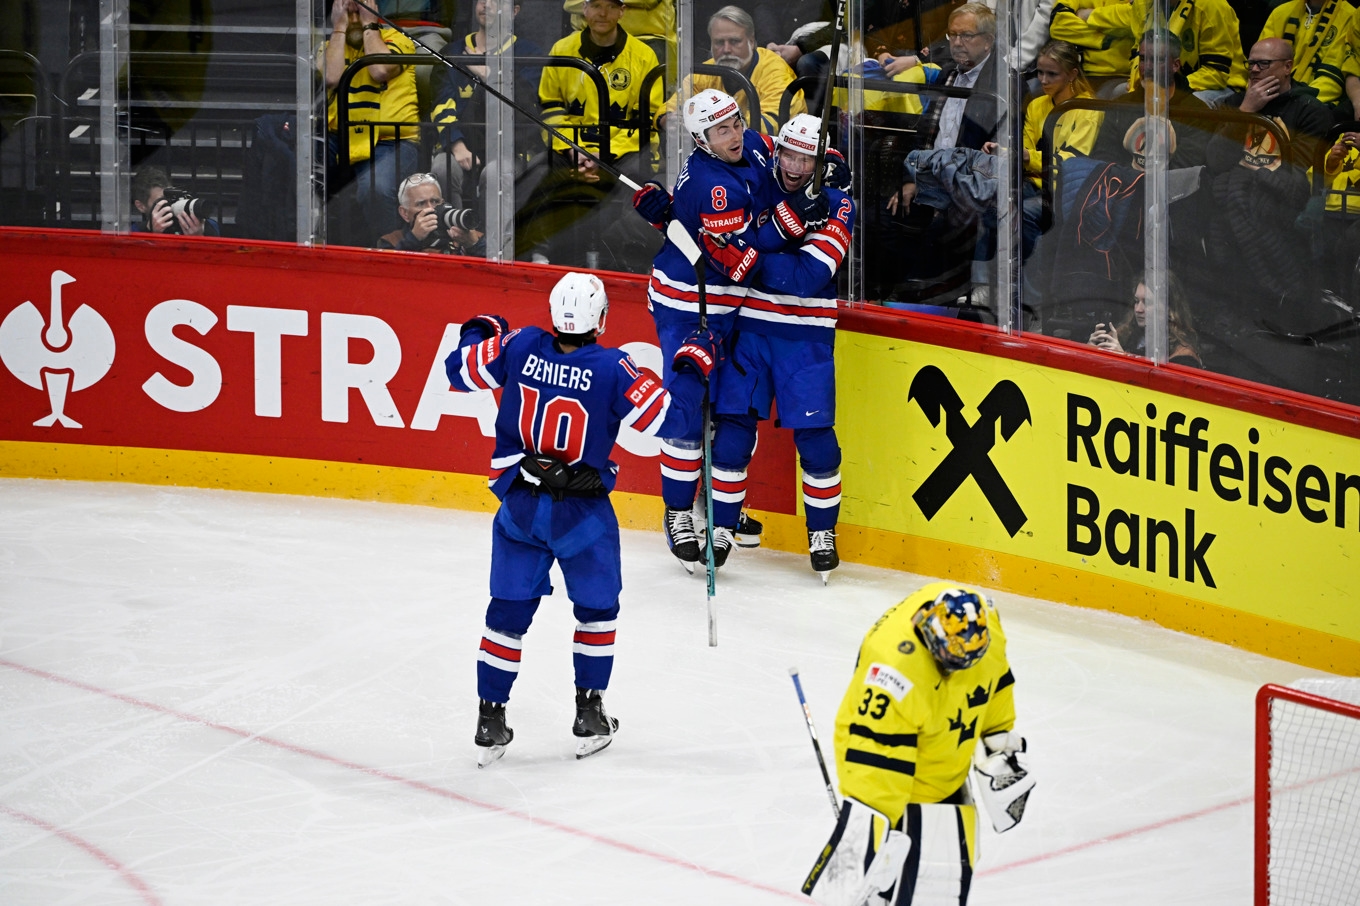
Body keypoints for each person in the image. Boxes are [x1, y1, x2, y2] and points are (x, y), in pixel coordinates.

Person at [444, 272, 716, 766]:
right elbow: (673, 420)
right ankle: (589, 712)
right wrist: (693, 364)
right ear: (602, 319)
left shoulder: (521, 344)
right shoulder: (613, 367)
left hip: (521, 507)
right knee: (597, 611)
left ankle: (489, 718)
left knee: (506, 613)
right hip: (581, 515)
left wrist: (481, 328)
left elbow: (457, 369)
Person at [635, 89, 831, 569]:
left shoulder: (753, 145)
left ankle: (718, 503)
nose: (735, 134)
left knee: (729, 414)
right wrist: (792, 217)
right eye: (721, 130)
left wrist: (832, 167)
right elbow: (741, 261)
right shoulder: (713, 187)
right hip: (690, 306)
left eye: (737, 122)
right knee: (686, 409)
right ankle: (678, 512)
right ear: (701, 140)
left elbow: (789, 149)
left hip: (731, 310)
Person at [802, 583, 1034, 906]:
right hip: (895, 771)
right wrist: (872, 833)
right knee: (891, 882)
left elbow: (994, 681)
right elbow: (876, 762)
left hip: (946, 758)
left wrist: (998, 739)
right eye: (947, 660)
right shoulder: (894, 671)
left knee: (943, 886)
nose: (953, 670)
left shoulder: (985, 632)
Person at [707, 113, 853, 579]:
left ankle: (822, 533)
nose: (794, 166)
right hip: (751, 330)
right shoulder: (756, 183)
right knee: (733, 430)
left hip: (806, 338)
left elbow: (808, 276)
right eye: (788, 154)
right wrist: (779, 232)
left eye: (806, 159)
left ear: (821, 163)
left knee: (816, 440)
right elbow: (734, 244)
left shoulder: (838, 203)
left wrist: (752, 256)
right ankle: (721, 527)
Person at [514, 0, 666, 271]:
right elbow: (550, 109)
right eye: (595, 5)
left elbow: (647, 120)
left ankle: (624, 265)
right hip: (571, 148)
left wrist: (604, 154)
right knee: (536, 173)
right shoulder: (562, 50)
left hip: (623, 151)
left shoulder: (644, 55)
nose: (602, 13)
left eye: (610, 6)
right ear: (584, 9)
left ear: (622, 11)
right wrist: (571, 149)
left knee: (635, 183)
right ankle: (531, 257)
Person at [319, 0, 421, 242]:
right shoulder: (331, 45)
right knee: (299, 172)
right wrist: (338, 28)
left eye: (361, 6)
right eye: (348, 8)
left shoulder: (399, 40)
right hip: (340, 138)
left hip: (391, 141)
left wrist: (370, 23)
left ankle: (389, 248)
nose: (354, 12)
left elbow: (379, 70)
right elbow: (332, 77)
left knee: (377, 188)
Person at [428, 0, 545, 212]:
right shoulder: (451, 51)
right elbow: (440, 104)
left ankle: (487, 234)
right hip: (460, 147)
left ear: (514, 11)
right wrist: (457, 145)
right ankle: (453, 232)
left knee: (495, 176)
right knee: (443, 168)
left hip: (509, 151)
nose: (487, 5)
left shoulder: (530, 54)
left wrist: (487, 74)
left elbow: (525, 107)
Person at [664, 6, 807, 135]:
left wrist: (709, 125)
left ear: (751, 42)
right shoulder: (704, 71)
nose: (726, 49)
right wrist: (671, 120)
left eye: (734, 41)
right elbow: (671, 108)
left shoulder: (775, 70)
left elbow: (769, 126)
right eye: (719, 42)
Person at [1075, 0, 1248, 106]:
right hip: (1162, 79)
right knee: (1119, 93)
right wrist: (1138, 82)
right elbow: (1138, 52)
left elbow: (1217, 73)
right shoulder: (1142, 4)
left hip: (1220, 86)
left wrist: (1172, 87)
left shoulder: (1213, 5)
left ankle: (1185, 153)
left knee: (1193, 103)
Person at [1088, 273, 1204, 367]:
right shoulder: (1124, 334)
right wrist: (1090, 352)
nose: (1138, 309)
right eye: (1136, 301)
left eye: (1147, 302)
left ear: (1169, 308)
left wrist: (1123, 359)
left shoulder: (1183, 357)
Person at [1255, 0, 1352, 107]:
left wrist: (1295, 103)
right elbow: (1260, 65)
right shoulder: (1280, 13)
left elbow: (1331, 81)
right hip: (1273, 96)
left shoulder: (1349, 16)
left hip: (1316, 102)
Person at [131, 166, 221, 237]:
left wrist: (199, 238)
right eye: (162, 201)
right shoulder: (135, 233)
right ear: (141, 206)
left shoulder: (207, 226)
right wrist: (154, 236)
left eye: (171, 198)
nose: (169, 205)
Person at [377, 172, 452, 252]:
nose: (430, 208)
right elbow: (391, 260)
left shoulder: (453, 235)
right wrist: (414, 238)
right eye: (421, 204)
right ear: (404, 213)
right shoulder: (391, 241)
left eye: (435, 201)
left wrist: (462, 243)